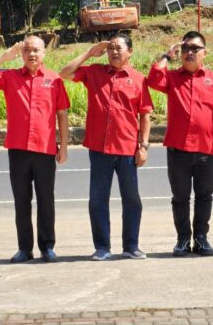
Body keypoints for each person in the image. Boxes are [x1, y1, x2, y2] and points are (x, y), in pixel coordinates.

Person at [0, 36, 70, 263]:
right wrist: (3, 58)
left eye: (36, 50)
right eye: (27, 50)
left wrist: (64, 146)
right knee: (21, 200)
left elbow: (62, 114)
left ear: (44, 53)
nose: (31, 54)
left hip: (45, 148)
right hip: (18, 148)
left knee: (46, 199)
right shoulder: (10, 77)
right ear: (22, 54)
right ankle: (24, 249)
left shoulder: (54, 79)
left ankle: (47, 246)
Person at [59, 35, 153, 261]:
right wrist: (89, 53)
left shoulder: (138, 79)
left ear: (130, 52)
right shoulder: (94, 72)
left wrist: (143, 147)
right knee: (98, 199)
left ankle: (131, 246)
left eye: (119, 48)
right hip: (99, 148)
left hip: (127, 148)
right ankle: (102, 247)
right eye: (110, 48)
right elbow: (65, 73)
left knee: (132, 199)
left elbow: (145, 115)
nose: (114, 51)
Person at [148, 31, 213, 257]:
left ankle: (201, 237)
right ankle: (183, 239)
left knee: (205, 197)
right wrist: (166, 56)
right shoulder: (172, 78)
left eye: (195, 48)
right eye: (185, 48)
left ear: (205, 53)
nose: (190, 53)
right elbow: (153, 79)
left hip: (206, 150)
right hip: (179, 150)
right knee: (180, 198)